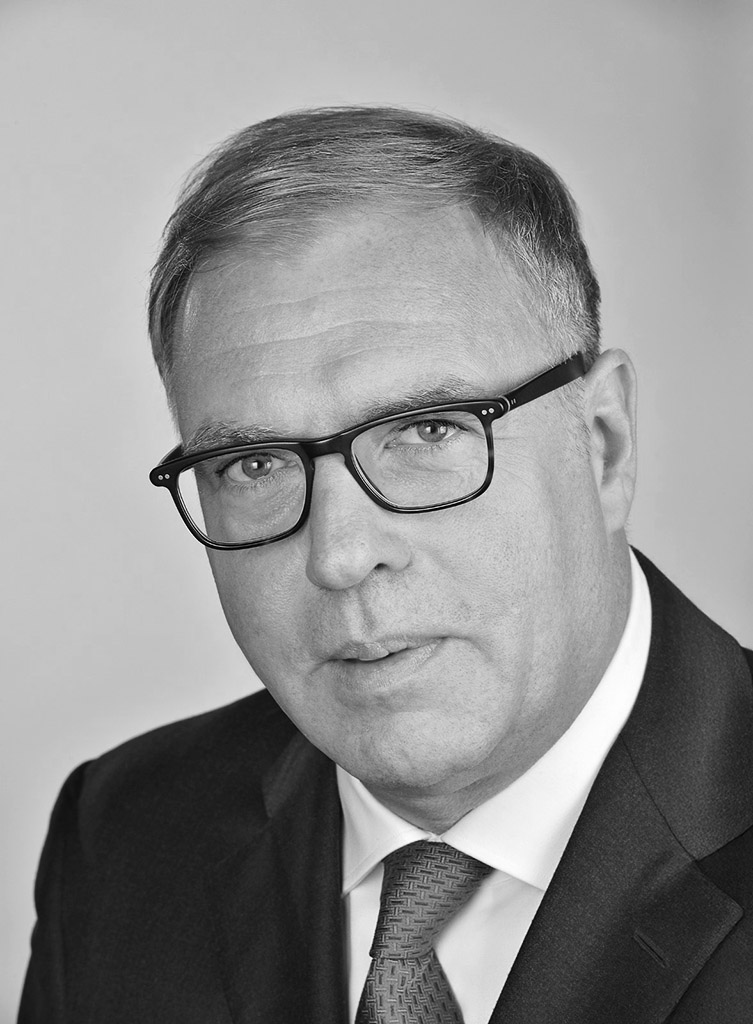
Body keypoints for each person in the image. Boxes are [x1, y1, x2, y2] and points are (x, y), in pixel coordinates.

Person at [19, 106, 753, 1024]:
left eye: (427, 431)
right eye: (253, 465)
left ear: (602, 443)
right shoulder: (125, 832)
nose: (339, 555)